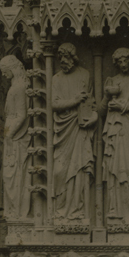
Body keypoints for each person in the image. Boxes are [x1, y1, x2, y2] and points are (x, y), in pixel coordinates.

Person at [99, 48, 129, 223]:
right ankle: (115, 210)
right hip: (114, 130)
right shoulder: (113, 82)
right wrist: (106, 96)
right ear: (116, 64)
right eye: (120, 62)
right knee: (115, 169)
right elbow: (101, 111)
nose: (123, 64)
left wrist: (122, 107)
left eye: (126, 60)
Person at [51, 42, 96, 223]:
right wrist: (74, 100)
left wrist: (93, 117)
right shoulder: (56, 79)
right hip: (63, 129)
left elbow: (91, 104)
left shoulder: (85, 75)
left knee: (79, 169)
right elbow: (54, 104)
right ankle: (61, 210)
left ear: (73, 58)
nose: (63, 61)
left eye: (67, 57)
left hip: (79, 128)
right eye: (60, 57)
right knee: (59, 171)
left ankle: (77, 211)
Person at [0, 55, 31, 222]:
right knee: (12, 175)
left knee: (16, 174)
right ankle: (14, 212)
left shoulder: (18, 87)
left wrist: (9, 135)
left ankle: (18, 214)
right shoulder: (17, 86)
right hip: (12, 135)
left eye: (4, 71)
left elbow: (22, 115)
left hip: (16, 137)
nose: (3, 75)